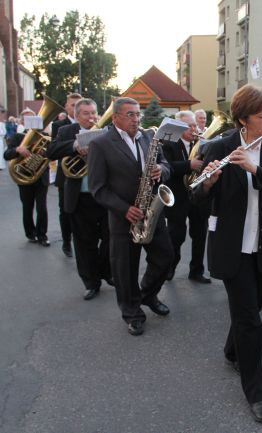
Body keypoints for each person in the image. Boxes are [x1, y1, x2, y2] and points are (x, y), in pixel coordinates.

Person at [193, 84, 262, 423]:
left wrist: (253, 169)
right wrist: (207, 182)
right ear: (243, 118)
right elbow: (198, 200)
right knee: (250, 319)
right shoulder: (219, 146)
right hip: (232, 245)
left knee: (247, 310)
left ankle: (231, 350)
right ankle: (256, 393)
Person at [87, 97, 173, 334]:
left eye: (138, 114)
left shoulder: (148, 137)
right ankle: (132, 312)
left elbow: (166, 164)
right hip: (123, 215)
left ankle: (146, 294)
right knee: (125, 269)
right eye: (130, 115)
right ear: (115, 118)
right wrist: (124, 209)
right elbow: (98, 188)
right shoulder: (100, 144)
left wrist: (161, 170)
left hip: (151, 211)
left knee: (166, 256)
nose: (136, 119)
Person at [47, 98, 112, 300]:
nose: (92, 117)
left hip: (104, 194)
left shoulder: (108, 130)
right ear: (76, 115)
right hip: (79, 196)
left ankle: (106, 271)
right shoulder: (66, 131)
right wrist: (74, 145)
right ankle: (91, 283)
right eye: (86, 113)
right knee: (84, 243)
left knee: (111, 239)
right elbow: (50, 151)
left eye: (94, 112)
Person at [161, 110, 210, 283]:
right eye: (188, 126)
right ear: (179, 127)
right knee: (176, 235)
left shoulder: (202, 143)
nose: (193, 129)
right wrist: (190, 164)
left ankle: (196, 271)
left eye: (194, 125)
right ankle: (170, 268)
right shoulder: (168, 143)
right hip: (178, 196)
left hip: (197, 196)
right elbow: (167, 166)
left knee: (200, 234)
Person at [4, 126, 50, 246]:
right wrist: (17, 150)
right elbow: (6, 155)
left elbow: (53, 152)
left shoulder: (46, 136)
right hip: (24, 175)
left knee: (42, 207)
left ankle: (42, 235)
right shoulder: (18, 137)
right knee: (27, 206)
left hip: (41, 176)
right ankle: (30, 232)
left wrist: (44, 152)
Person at [51, 93, 82, 258]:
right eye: (72, 105)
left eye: (79, 104)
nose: (76, 107)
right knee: (65, 210)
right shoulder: (59, 125)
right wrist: (74, 146)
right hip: (67, 174)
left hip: (87, 175)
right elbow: (53, 150)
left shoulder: (94, 125)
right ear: (67, 106)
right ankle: (66, 241)